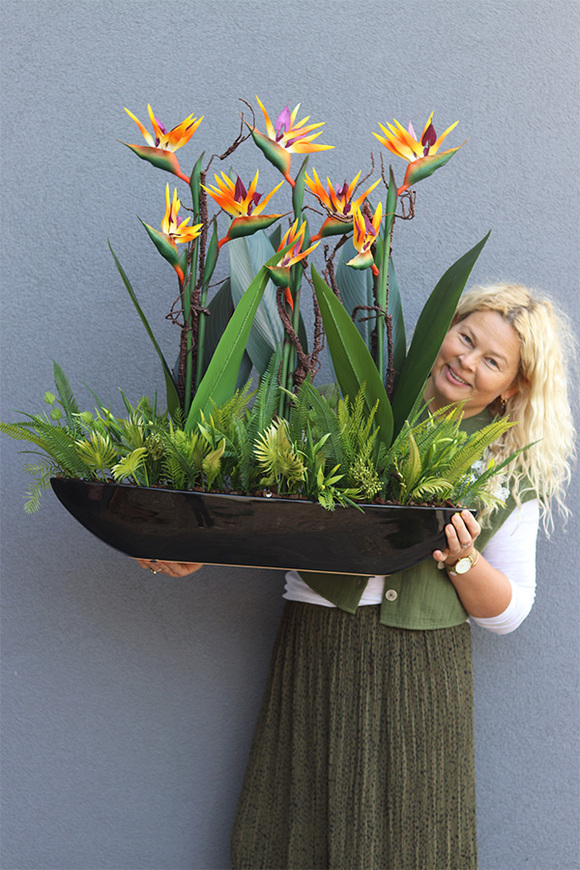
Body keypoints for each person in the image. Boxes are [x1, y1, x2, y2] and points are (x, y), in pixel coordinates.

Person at [137, 283, 576, 869]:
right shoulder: (357, 405)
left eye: (491, 360)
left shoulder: (513, 467)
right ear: (443, 330)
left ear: (514, 386)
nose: (466, 362)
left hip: (425, 671)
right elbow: (277, 515)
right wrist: (199, 549)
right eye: (465, 338)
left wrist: (462, 560)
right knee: (295, 834)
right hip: (319, 644)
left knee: (414, 844)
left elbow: (510, 612)